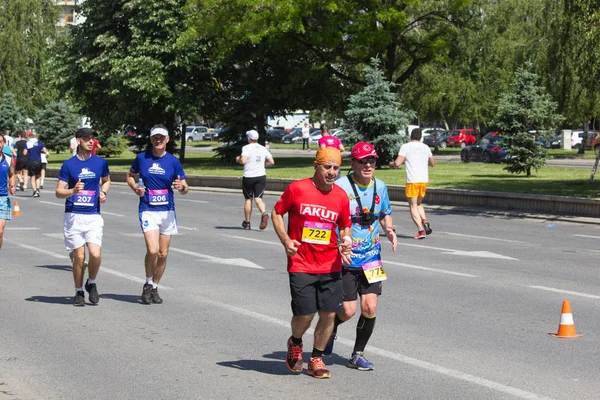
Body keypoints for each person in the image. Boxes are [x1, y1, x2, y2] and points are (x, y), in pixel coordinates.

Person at [271, 147, 353, 379]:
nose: (332, 172)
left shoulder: (340, 196)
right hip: (301, 263)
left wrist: (346, 240)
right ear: (316, 166)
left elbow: (345, 224)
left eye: (336, 168)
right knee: (305, 314)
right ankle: (296, 342)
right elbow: (277, 213)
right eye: (327, 167)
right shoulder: (298, 189)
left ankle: (316, 358)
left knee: (328, 314)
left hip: (331, 265)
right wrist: (286, 240)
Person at [324, 142, 397, 371]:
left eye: (372, 161)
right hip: (346, 257)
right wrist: (336, 244)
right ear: (353, 163)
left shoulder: (381, 186)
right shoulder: (341, 186)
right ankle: (330, 327)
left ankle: (357, 354)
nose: (368, 165)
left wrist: (390, 230)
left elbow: (385, 213)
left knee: (370, 307)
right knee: (347, 310)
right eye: (363, 160)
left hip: (372, 257)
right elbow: (330, 217)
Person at [126, 125, 188, 305]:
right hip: (148, 209)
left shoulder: (173, 162)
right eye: (155, 138)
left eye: (162, 138)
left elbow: (185, 187)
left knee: (163, 253)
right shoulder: (142, 158)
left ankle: (154, 286)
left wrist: (181, 187)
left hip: (167, 211)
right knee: (152, 250)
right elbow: (130, 175)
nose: (158, 140)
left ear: (167, 139)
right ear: (151, 140)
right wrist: (135, 187)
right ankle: (147, 282)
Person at [55, 128, 111, 306]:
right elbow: (58, 191)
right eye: (86, 138)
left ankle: (91, 282)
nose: (90, 141)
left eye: (92, 138)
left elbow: (107, 180)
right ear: (78, 140)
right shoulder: (68, 165)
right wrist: (72, 191)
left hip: (93, 215)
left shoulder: (100, 163)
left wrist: (103, 192)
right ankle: (78, 291)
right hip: (73, 216)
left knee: (95, 254)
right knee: (79, 257)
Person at [389, 128, 435, 239]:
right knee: (419, 203)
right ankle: (424, 220)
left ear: (411, 136)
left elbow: (398, 163)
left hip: (412, 180)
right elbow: (432, 163)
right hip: (423, 180)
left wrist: (392, 164)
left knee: (412, 205)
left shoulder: (406, 147)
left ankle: (420, 230)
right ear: (420, 137)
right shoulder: (426, 147)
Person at [235, 129, 274, 230]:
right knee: (258, 198)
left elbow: (243, 161)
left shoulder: (246, 148)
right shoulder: (263, 148)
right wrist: (262, 164)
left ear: (249, 138)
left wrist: (238, 159)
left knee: (248, 199)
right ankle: (264, 213)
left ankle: (247, 223)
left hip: (249, 176)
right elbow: (272, 162)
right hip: (261, 176)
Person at [0, 134, 17, 251]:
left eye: (0, 142)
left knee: (0, 231)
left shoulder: (8, 158)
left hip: (3, 198)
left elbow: (11, 174)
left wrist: (12, 185)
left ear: (3, 143)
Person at [26, 131, 47, 198]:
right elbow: (44, 150)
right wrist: (40, 151)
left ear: (30, 136)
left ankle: (34, 191)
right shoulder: (40, 143)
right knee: (37, 176)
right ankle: (37, 189)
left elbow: (24, 152)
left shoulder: (28, 143)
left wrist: (29, 153)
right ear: (36, 136)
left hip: (31, 161)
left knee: (32, 177)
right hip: (39, 161)